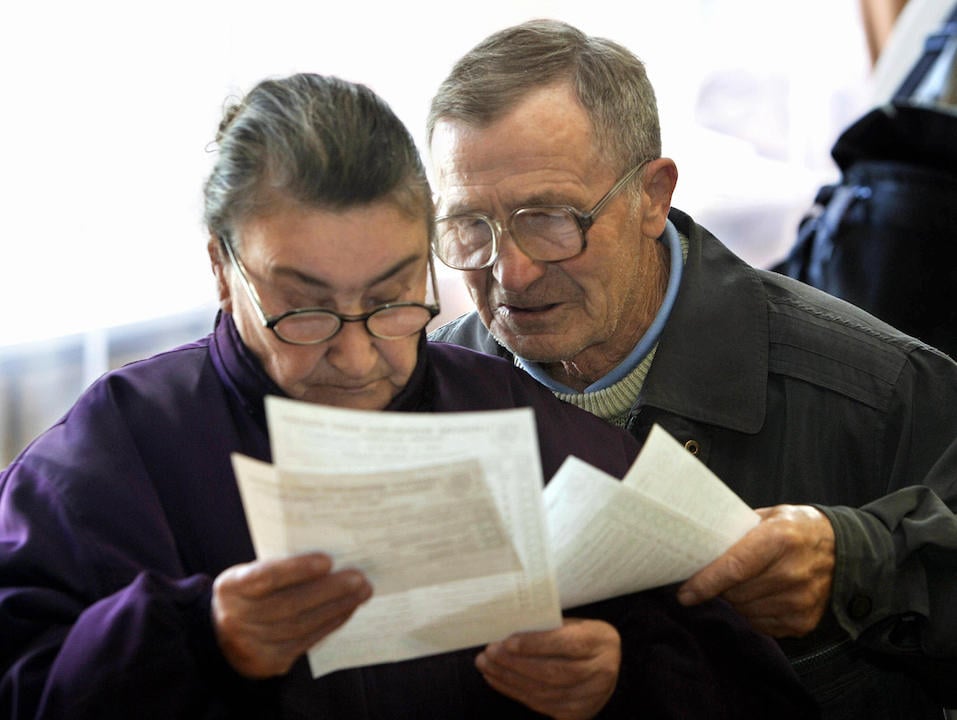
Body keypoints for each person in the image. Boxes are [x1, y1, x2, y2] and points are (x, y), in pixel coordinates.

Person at [0, 73, 817, 720]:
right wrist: (193, 637)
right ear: (221, 268)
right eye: (305, 308)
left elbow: (750, 686)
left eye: (395, 298)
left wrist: (619, 682)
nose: (357, 357)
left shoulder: (512, 416)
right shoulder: (111, 454)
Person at [426, 19, 957, 720]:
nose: (511, 271)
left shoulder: (881, 390)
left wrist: (862, 562)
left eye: (549, 218)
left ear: (653, 195)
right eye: (470, 227)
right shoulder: (415, 402)